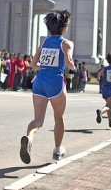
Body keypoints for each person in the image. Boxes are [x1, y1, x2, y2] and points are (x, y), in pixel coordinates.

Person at [19, 9, 75, 164]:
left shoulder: (44, 42)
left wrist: (44, 68)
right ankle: (57, 150)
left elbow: (32, 63)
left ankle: (29, 138)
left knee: (38, 120)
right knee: (58, 118)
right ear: (64, 27)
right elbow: (69, 62)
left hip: (39, 82)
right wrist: (73, 68)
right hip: (55, 83)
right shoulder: (66, 43)